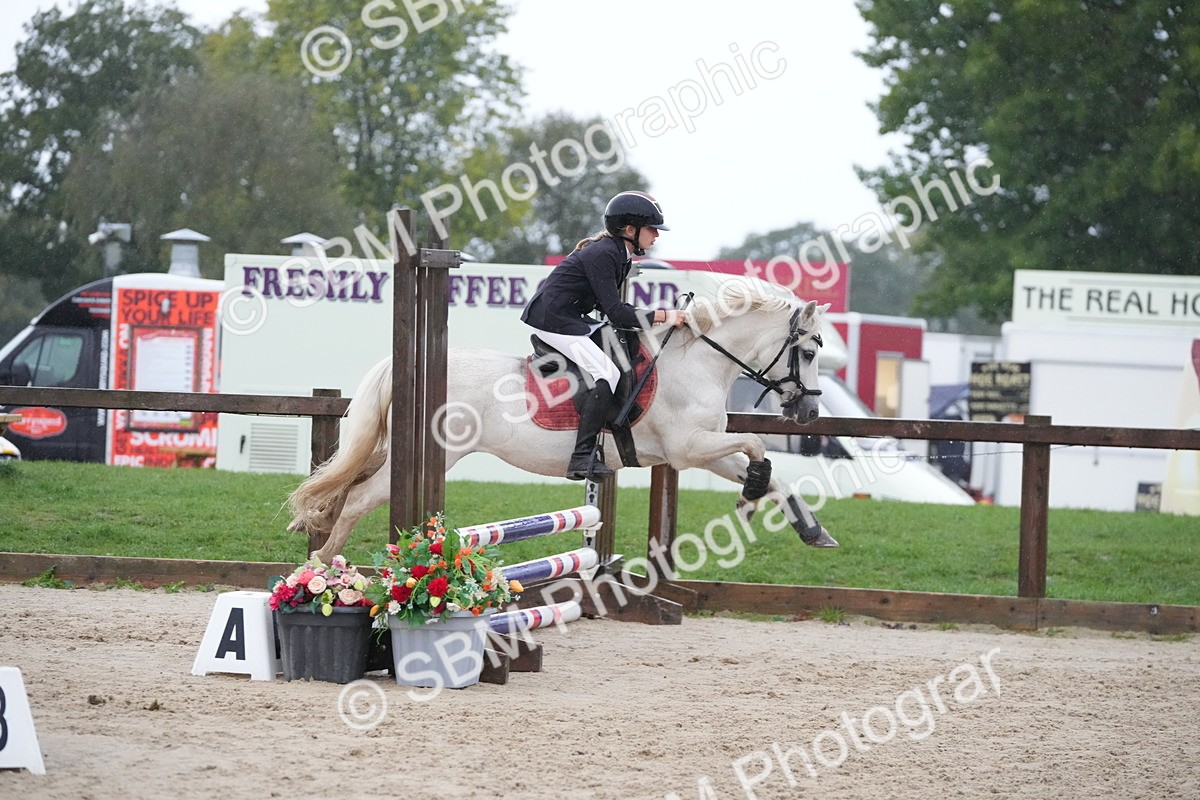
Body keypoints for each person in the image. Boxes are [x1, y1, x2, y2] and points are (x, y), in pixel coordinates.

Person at [521, 190, 688, 480]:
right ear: (630, 229)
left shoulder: (620, 255)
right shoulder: (605, 253)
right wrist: (664, 316)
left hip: (571, 318)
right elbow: (617, 312)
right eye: (652, 230)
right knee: (607, 373)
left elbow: (609, 308)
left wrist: (656, 318)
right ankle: (581, 458)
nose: (656, 236)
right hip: (554, 321)